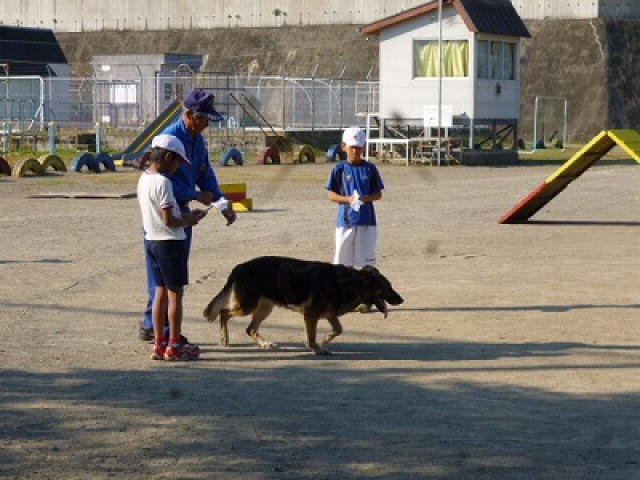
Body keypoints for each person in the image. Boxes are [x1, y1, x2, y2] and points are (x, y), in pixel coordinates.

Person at [139, 88, 237, 344]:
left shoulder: (196, 139)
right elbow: (164, 179)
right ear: (189, 115)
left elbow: (205, 173)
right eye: (203, 119)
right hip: (168, 212)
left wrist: (221, 201)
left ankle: (154, 326)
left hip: (181, 212)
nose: (206, 124)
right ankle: (167, 333)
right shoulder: (169, 140)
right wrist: (193, 194)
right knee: (169, 282)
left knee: (164, 280)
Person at [137, 134, 207, 360]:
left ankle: (159, 344)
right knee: (175, 295)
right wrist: (189, 220)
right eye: (177, 162)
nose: (178, 167)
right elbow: (169, 220)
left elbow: (159, 215)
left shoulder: (144, 179)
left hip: (151, 241)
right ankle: (174, 345)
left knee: (159, 293)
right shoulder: (164, 182)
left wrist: (185, 215)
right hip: (171, 243)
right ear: (168, 157)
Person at [325, 127, 385, 313]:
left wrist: (364, 198)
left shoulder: (370, 168)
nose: (355, 151)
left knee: (367, 262)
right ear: (343, 146)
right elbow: (331, 195)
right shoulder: (339, 169)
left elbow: (378, 194)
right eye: (352, 147)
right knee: (342, 263)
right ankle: (340, 298)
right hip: (345, 222)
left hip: (367, 221)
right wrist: (348, 199)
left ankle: (368, 298)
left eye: (359, 147)